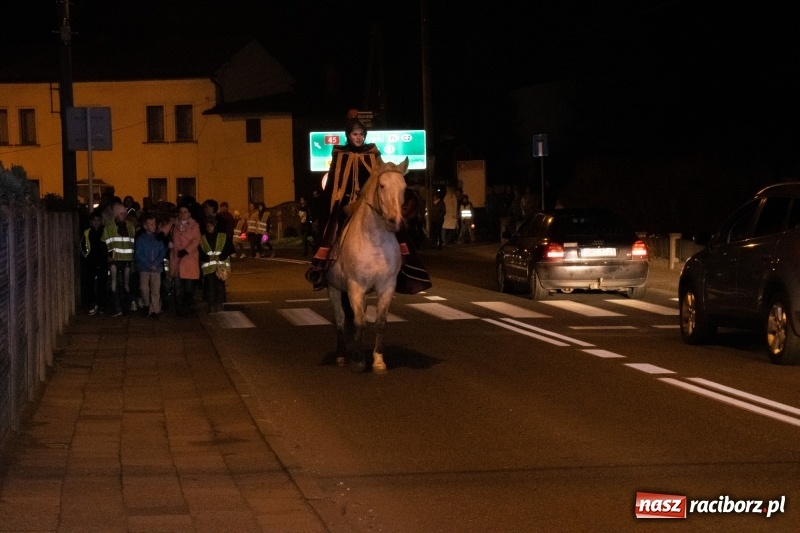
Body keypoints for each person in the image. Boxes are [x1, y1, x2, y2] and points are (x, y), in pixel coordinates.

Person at [306, 116, 431, 294]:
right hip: (346, 203)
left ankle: (405, 264)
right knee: (332, 225)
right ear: (348, 136)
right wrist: (338, 201)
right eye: (355, 134)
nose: (358, 137)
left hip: (369, 202)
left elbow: (383, 178)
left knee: (396, 225)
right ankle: (322, 265)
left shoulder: (373, 154)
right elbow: (335, 182)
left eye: (361, 134)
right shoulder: (340, 155)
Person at [161, 204, 201, 316]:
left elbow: (196, 240)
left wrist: (186, 250)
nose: (182, 214)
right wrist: (161, 235)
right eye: (181, 212)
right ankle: (180, 309)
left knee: (188, 286)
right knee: (177, 285)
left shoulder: (194, 225)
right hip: (176, 258)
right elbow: (164, 230)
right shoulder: (174, 223)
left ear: (189, 214)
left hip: (189, 259)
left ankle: (187, 306)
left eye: (185, 212)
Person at [102, 202, 137, 317]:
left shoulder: (130, 226)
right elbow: (105, 244)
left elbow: (133, 243)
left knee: (125, 284)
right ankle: (119, 307)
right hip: (115, 260)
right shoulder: (110, 227)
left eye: (125, 213)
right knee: (114, 284)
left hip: (126, 260)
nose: (124, 215)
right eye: (122, 213)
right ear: (116, 215)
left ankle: (127, 306)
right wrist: (109, 256)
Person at [134, 211, 165, 319]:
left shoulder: (158, 238)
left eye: (154, 223)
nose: (154, 226)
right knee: (144, 288)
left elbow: (162, 252)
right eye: (151, 224)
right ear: (145, 226)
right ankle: (147, 304)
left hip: (156, 268)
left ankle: (155, 310)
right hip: (144, 268)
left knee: (155, 289)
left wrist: (156, 263)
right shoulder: (141, 239)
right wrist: (148, 264)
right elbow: (138, 254)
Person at [199, 216, 230, 314]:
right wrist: (208, 258)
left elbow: (227, 249)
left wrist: (219, 257)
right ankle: (212, 306)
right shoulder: (202, 238)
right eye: (207, 225)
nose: (209, 227)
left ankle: (219, 305)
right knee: (211, 287)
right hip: (209, 268)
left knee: (220, 286)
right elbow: (200, 252)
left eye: (211, 225)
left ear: (215, 226)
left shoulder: (222, 236)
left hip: (221, 267)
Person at [80, 209, 108, 315]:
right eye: (94, 220)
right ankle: (92, 303)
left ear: (101, 221)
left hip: (102, 261)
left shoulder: (105, 231)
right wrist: (86, 256)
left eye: (98, 220)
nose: (96, 222)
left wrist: (108, 256)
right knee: (90, 283)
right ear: (91, 221)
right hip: (91, 262)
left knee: (102, 283)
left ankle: (102, 305)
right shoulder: (87, 232)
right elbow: (82, 246)